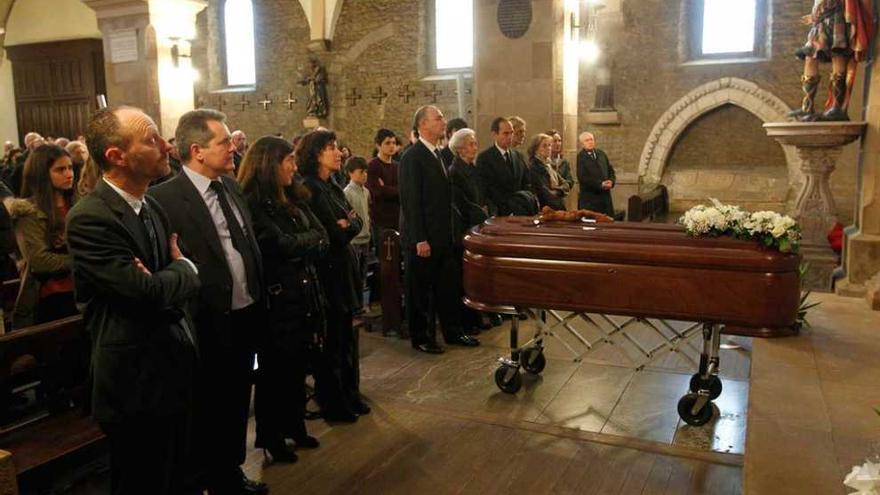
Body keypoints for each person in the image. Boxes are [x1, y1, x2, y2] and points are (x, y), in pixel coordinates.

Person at [66, 106, 201, 495]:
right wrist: (184, 271)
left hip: (172, 365)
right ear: (116, 156)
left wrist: (169, 277)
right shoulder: (91, 218)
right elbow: (146, 293)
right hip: (134, 379)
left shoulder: (152, 205)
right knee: (142, 481)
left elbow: (162, 285)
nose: (164, 146)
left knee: (178, 477)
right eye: (150, 139)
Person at [150, 109, 268, 495]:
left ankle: (229, 470)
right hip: (205, 318)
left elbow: (243, 244)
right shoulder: (165, 198)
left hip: (245, 310)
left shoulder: (230, 186)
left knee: (237, 396)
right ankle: (205, 477)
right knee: (207, 403)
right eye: (224, 142)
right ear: (197, 150)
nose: (234, 146)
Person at [238, 135, 325, 464]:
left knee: (297, 366)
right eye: (288, 159)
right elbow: (277, 245)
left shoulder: (294, 196)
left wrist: (301, 242)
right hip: (277, 300)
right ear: (268, 164)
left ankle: (295, 425)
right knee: (274, 371)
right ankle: (271, 436)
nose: (294, 165)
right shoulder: (253, 203)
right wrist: (303, 242)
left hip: (301, 293)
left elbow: (322, 235)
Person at [298, 129, 369, 422]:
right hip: (328, 271)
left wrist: (346, 224)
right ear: (316, 154)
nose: (339, 153)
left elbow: (355, 221)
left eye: (338, 147)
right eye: (332, 148)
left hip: (342, 267)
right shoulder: (310, 189)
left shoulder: (333, 184)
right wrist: (345, 225)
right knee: (332, 341)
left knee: (345, 339)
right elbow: (332, 233)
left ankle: (349, 393)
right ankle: (333, 401)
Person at [399, 105, 480, 354]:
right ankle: (421, 336)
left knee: (447, 287)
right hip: (424, 238)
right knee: (420, 290)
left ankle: (453, 332)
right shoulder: (412, 157)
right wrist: (420, 239)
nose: (443, 121)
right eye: (438, 118)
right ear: (422, 125)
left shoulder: (440, 155)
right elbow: (411, 202)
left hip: (444, 236)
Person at [7, 144, 77, 328]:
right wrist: (85, 259)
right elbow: (40, 261)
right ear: (42, 174)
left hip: (84, 289)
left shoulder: (78, 205)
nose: (69, 174)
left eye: (70, 167)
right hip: (51, 297)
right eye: (60, 169)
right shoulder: (28, 212)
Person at [790, 0, 874, 121]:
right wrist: (814, 16)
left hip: (836, 17)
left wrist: (819, 10)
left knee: (838, 54)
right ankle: (807, 106)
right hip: (821, 22)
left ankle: (837, 107)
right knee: (810, 57)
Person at [447, 128, 491, 335]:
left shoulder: (473, 169)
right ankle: (467, 320)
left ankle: (477, 316)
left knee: (476, 275)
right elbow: (462, 204)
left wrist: (486, 210)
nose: (475, 147)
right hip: (464, 229)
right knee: (464, 277)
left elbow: (482, 195)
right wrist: (479, 212)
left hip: (478, 225)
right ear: (460, 148)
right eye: (472, 143)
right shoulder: (455, 171)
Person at [475, 117, 534, 216]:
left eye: (511, 133)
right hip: (499, 213)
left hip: (520, 211)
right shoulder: (485, 158)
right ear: (494, 135)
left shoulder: (518, 156)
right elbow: (485, 189)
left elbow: (526, 183)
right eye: (506, 133)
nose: (510, 137)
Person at [343, 156, 371, 310]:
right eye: (361, 172)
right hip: (354, 240)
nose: (364, 175)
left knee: (363, 274)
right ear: (350, 173)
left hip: (365, 238)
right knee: (354, 276)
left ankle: (362, 303)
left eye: (366, 172)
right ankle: (355, 305)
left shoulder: (366, 191)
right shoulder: (347, 192)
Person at [366, 129, 400, 233]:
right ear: (378, 145)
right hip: (380, 219)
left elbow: (404, 191)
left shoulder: (398, 166)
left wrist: (385, 188)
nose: (392, 146)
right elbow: (376, 192)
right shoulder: (373, 165)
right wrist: (394, 190)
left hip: (396, 217)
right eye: (387, 143)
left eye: (394, 143)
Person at [576, 131, 616, 217]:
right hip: (590, 200)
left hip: (605, 199)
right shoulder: (581, 157)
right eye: (587, 140)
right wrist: (600, 184)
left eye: (591, 139)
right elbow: (583, 178)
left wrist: (611, 181)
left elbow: (610, 170)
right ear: (582, 144)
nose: (590, 142)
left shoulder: (601, 154)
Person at [528, 133, 567, 211]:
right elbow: (544, 192)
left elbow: (566, 184)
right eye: (544, 146)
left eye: (549, 145)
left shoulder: (549, 165)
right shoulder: (535, 167)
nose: (548, 148)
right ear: (536, 149)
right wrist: (560, 192)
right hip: (546, 208)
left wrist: (557, 191)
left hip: (557, 207)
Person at [546, 129, 574, 194]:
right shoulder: (543, 161)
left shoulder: (564, 162)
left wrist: (559, 190)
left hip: (560, 197)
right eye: (554, 141)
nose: (558, 144)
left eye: (559, 141)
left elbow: (569, 181)